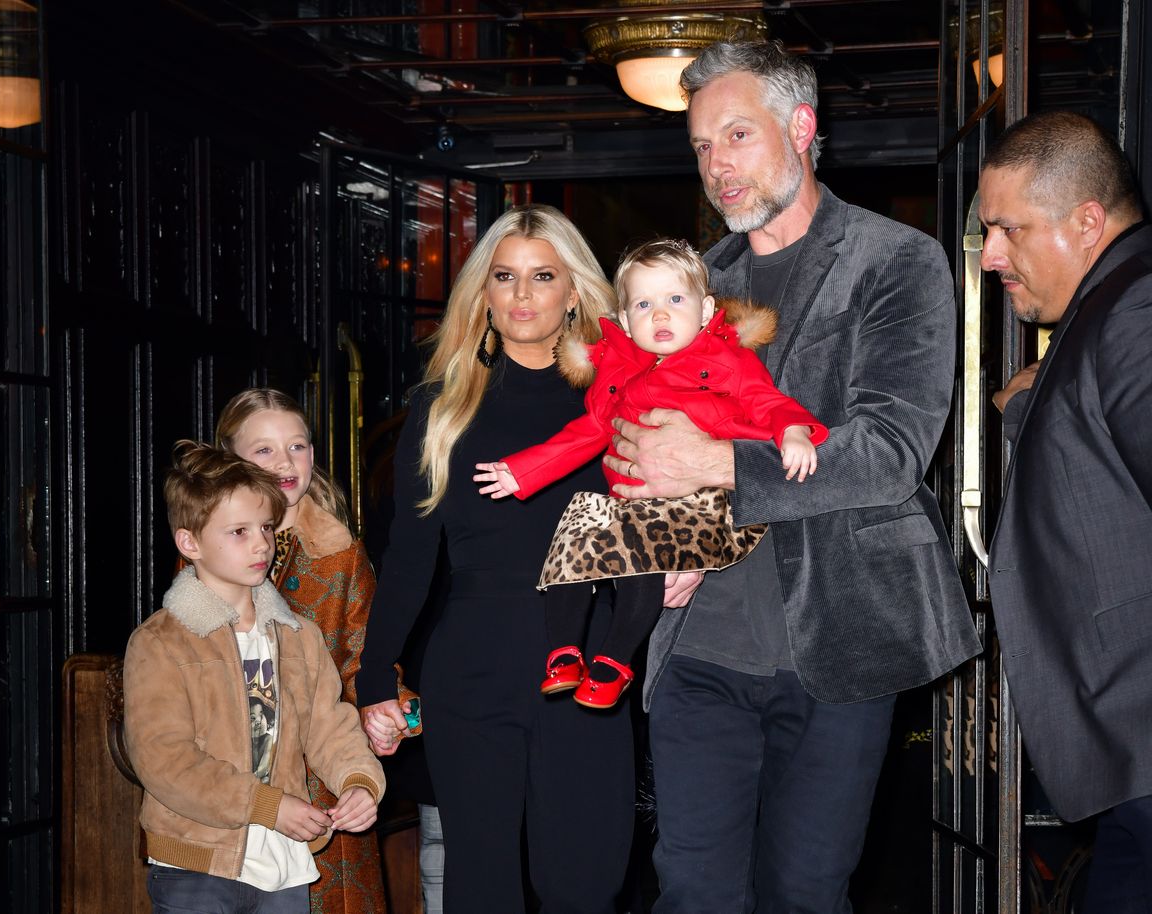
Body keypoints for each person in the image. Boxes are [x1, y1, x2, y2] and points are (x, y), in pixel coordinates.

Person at [604, 41, 982, 912]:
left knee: (804, 892)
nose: (717, 166)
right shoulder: (695, 285)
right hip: (698, 644)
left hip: (841, 643)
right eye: (701, 146)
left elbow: (890, 448)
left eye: (736, 135)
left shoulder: (898, 260)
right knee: (693, 889)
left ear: (801, 127)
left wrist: (721, 465)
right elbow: (636, 440)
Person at [354, 204, 656, 914]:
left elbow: (660, 521)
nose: (522, 296)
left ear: (573, 291)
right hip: (473, 667)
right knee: (480, 888)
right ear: (483, 294)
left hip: (583, 663)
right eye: (505, 277)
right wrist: (374, 678)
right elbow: (408, 559)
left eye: (543, 276)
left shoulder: (621, 402)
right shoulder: (442, 407)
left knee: (585, 887)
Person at [475, 238, 826, 709]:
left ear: (704, 311)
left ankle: (616, 661)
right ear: (624, 320)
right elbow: (587, 432)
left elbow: (770, 404)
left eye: (674, 301)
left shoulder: (727, 360)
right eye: (644, 304)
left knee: (641, 551)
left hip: (708, 502)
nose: (659, 316)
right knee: (579, 525)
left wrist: (794, 432)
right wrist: (522, 471)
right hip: (638, 501)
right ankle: (563, 651)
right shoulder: (618, 373)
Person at [979, 110, 1152, 912]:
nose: (990, 257)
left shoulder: (1136, 308)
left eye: (1007, 230)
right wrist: (1028, 409)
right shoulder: (1108, 309)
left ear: (1087, 221)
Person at [124, 442, 384, 914]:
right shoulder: (161, 642)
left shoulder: (298, 635)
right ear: (190, 543)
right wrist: (268, 805)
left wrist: (359, 782)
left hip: (282, 864)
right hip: (198, 866)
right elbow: (164, 759)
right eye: (239, 532)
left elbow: (330, 725)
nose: (262, 543)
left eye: (265, 527)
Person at [217, 387, 408, 914]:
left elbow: (366, 658)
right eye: (264, 450)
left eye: (297, 446)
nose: (286, 462)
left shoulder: (341, 553)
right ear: (229, 458)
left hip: (321, 781)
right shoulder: (205, 548)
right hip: (229, 781)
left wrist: (386, 712)